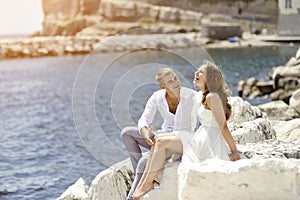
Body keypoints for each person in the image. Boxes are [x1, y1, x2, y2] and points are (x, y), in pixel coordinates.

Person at [132, 62, 240, 200]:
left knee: (161, 142)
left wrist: (234, 150)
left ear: (209, 79)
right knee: (157, 140)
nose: (196, 73)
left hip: (209, 141)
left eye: (201, 72)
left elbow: (223, 126)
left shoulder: (211, 97)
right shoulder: (200, 95)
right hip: (200, 136)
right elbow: (183, 96)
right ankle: (144, 185)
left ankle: (146, 184)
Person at [121, 68, 196, 200]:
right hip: (162, 136)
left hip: (178, 141)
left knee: (144, 161)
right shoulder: (157, 97)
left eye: (176, 78)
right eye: (170, 81)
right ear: (163, 86)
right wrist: (145, 133)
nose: (176, 83)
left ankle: (132, 196)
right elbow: (144, 119)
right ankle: (142, 175)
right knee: (126, 133)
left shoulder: (190, 95)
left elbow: (208, 107)